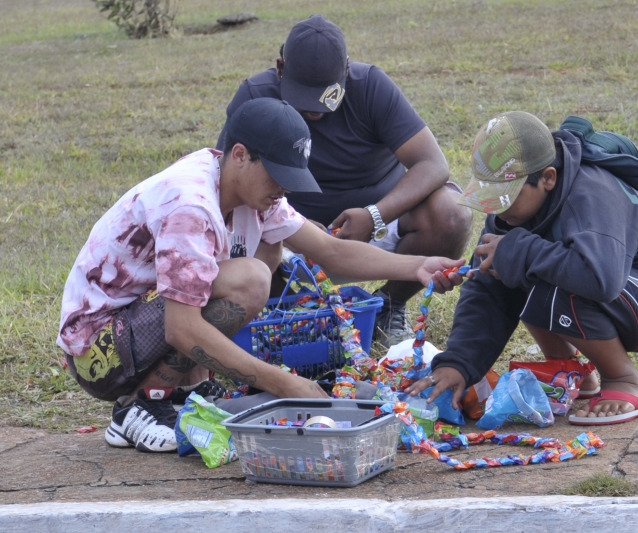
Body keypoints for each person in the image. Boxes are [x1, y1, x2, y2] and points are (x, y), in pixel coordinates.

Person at [58, 97, 465, 453]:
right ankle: (138, 406)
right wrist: (284, 384)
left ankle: (187, 390)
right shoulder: (191, 205)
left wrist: (416, 265)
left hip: (137, 327)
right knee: (250, 278)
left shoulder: (250, 191)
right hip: (100, 352)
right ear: (239, 155)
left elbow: (331, 252)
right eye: (278, 175)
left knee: (261, 256)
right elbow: (181, 328)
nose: (283, 190)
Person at [407, 111, 638, 425]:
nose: (497, 208)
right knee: (513, 266)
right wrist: (458, 364)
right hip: (625, 290)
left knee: (533, 266)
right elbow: (486, 288)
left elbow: (601, 279)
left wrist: (518, 251)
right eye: (490, 197)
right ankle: (572, 372)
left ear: (548, 177)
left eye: (505, 197)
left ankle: (624, 378)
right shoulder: (511, 212)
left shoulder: (592, 193)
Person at [216, 14, 473, 348]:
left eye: (326, 95)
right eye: (304, 95)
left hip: (378, 225)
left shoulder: (370, 87)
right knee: (247, 231)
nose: (315, 110)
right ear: (280, 69)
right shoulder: (256, 98)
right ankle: (286, 317)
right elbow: (225, 182)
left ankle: (389, 308)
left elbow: (434, 164)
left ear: (346, 71)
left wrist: (375, 214)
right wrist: (292, 224)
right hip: (289, 236)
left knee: (451, 212)